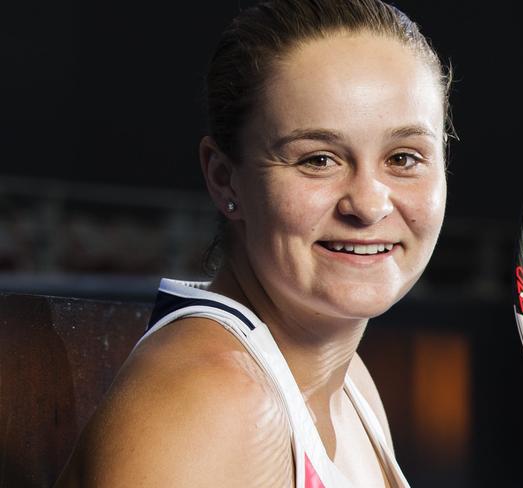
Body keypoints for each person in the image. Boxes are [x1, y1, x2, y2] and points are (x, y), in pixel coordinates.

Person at [55, 0, 451, 486]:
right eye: (318, 159)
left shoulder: (353, 390)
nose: (368, 205)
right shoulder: (211, 402)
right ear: (225, 179)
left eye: (405, 158)